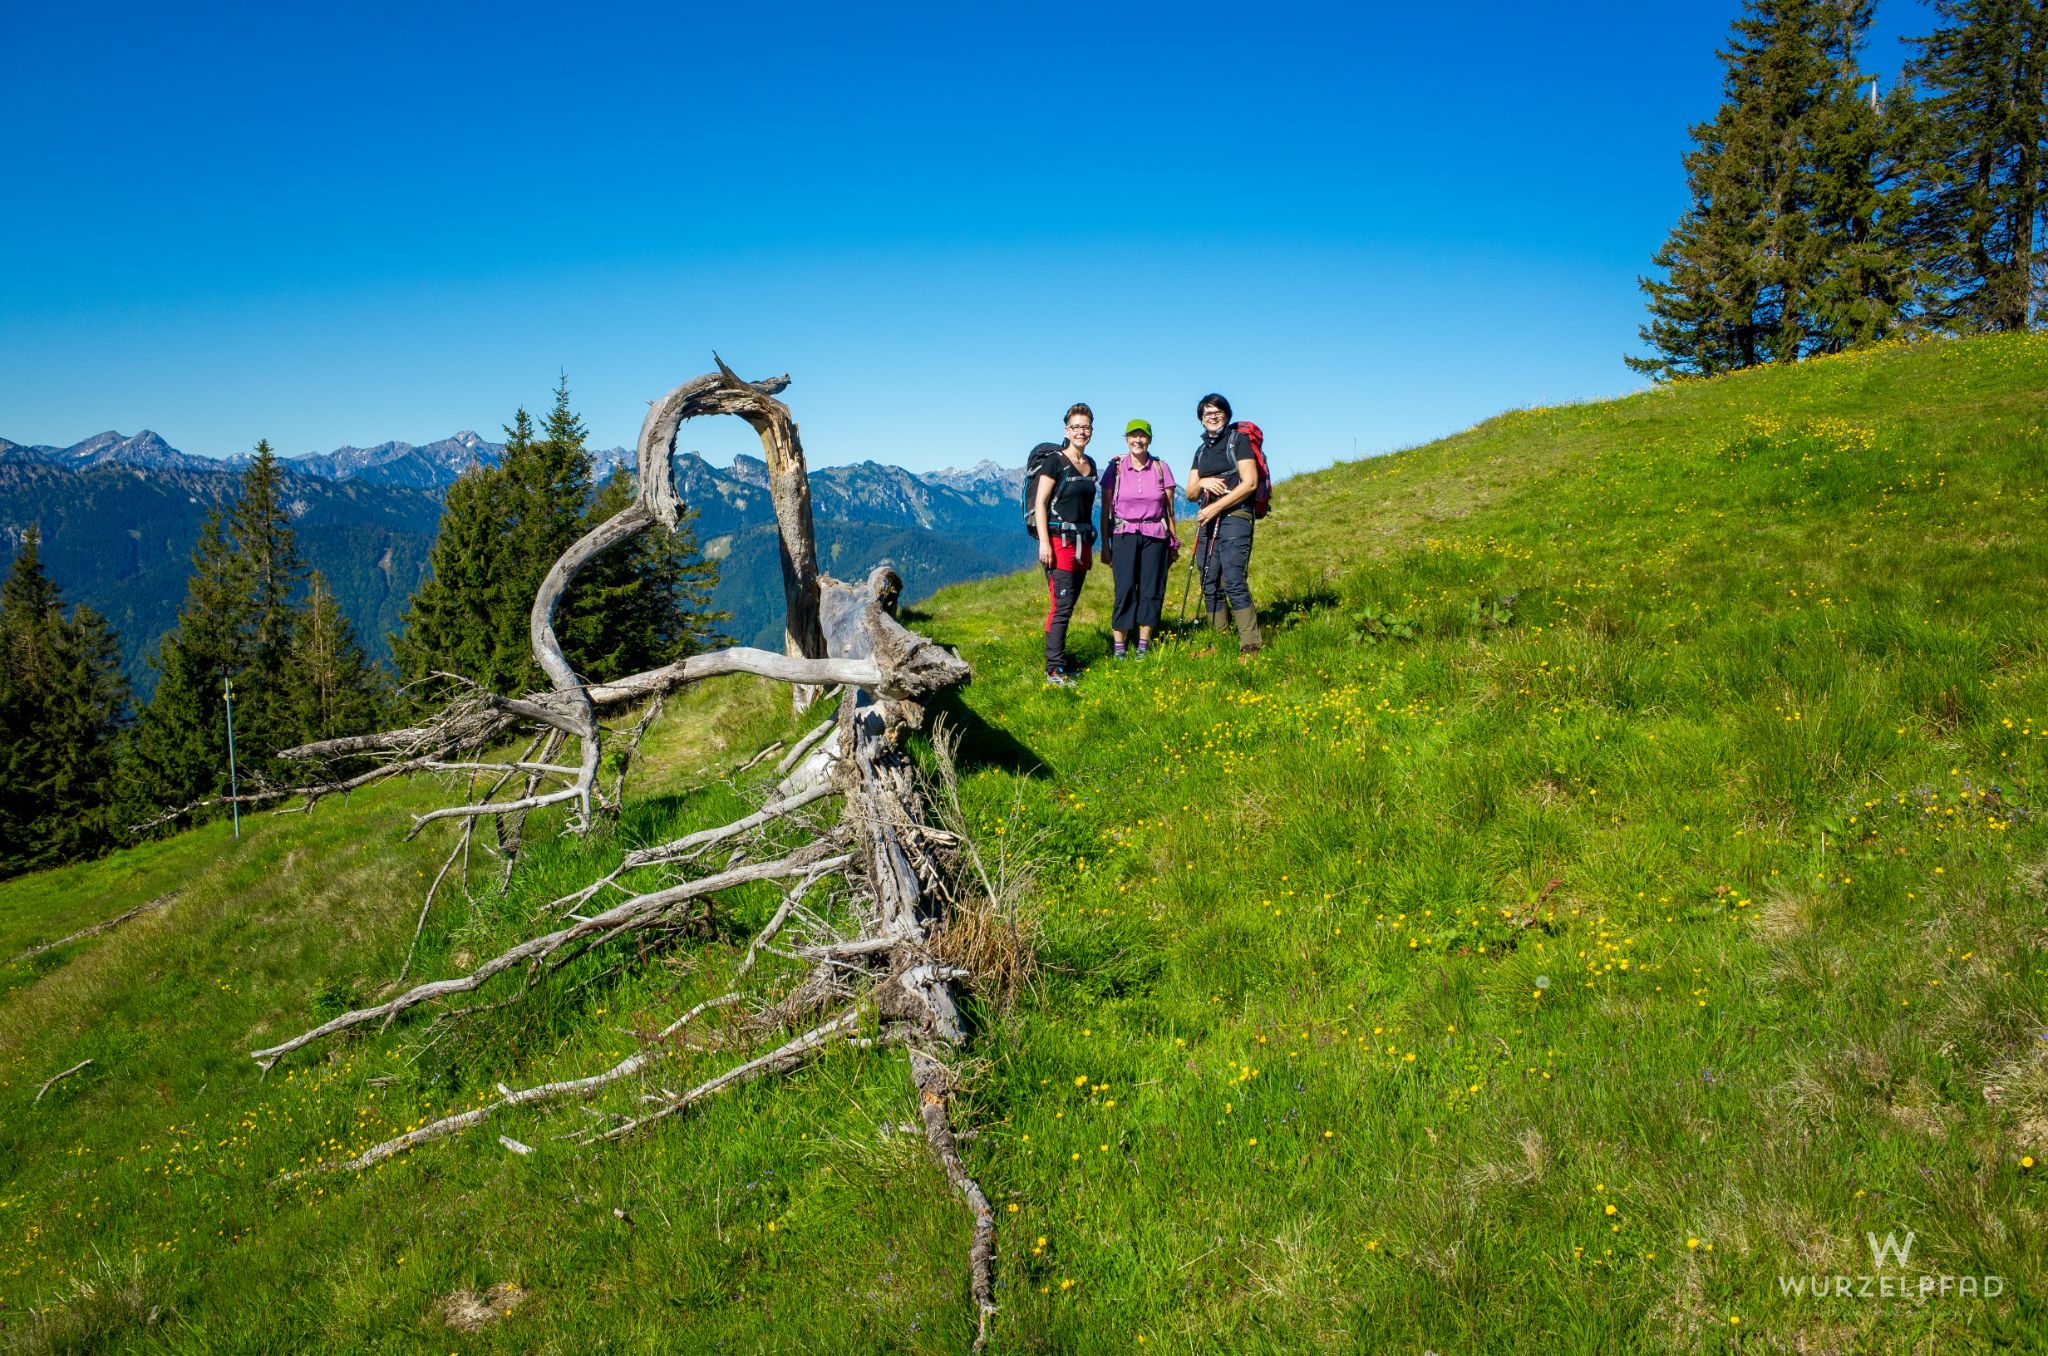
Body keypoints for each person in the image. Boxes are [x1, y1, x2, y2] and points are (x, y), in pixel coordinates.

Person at [1187, 392, 1261, 654]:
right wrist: (1203, 482)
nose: (1213, 416)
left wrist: (1216, 506)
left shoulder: (1237, 441)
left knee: (1232, 579)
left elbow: (1250, 483)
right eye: (1207, 413)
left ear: (1227, 415)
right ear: (1201, 419)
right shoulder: (1201, 450)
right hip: (1209, 520)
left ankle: (1250, 645)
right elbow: (1190, 492)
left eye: (1217, 411)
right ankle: (1220, 641)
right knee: (1208, 580)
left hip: (1235, 517)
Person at [1098, 417, 1176, 658]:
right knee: (1125, 590)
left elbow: (1169, 510)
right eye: (1133, 435)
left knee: (1151, 589)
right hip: (1124, 534)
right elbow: (1105, 509)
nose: (1138, 440)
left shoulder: (1161, 468)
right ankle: (1119, 648)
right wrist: (1105, 546)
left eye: (1142, 436)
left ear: (1150, 440)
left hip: (1155, 535)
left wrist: (1173, 543)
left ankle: (1143, 645)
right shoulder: (1116, 468)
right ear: (1127, 439)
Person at [1033, 402, 1099, 685]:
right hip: (1059, 541)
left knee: (1069, 604)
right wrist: (1044, 543)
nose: (1081, 432)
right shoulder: (1055, 461)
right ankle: (1054, 669)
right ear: (1066, 430)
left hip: (1083, 542)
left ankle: (1060, 662)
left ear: (1091, 430)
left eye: (1085, 427)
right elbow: (1040, 503)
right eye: (1076, 427)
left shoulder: (1091, 464)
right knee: (1060, 605)